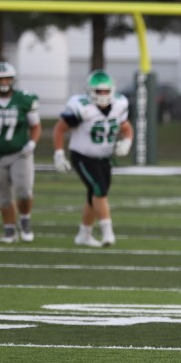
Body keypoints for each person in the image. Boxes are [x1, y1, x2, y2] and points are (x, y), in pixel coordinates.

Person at [52, 69, 134, 247]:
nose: (103, 95)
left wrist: (127, 141)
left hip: (104, 157)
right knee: (99, 189)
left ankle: (84, 234)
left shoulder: (119, 104)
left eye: (106, 91)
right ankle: (107, 233)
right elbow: (60, 129)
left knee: (94, 194)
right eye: (99, 91)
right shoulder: (82, 107)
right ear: (90, 91)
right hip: (82, 155)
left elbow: (126, 127)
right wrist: (59, 154)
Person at [0, 62, 41, 244]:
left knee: (24, 191)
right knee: (3, 196)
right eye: (0, 79)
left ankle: (25, 219)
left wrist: (32, 143)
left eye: (7, 78)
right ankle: (9, 230)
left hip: (19, 153)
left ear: (13, 80)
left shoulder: (24, 99)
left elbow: (35, 126)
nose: (4, 82)